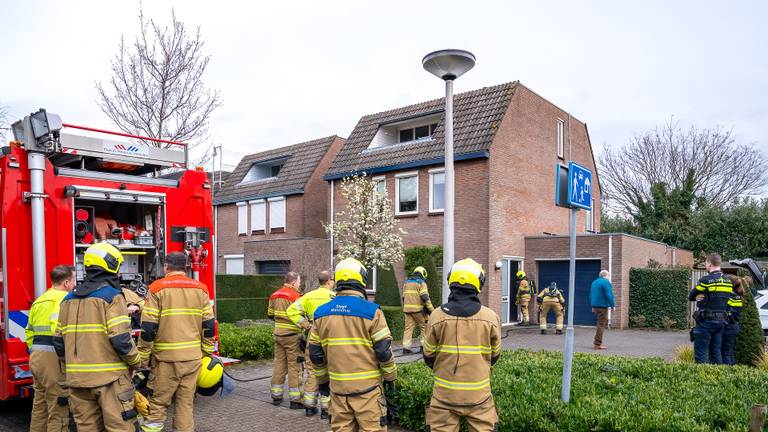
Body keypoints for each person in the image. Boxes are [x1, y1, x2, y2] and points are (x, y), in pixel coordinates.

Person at [53, 242, 142, 431]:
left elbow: (59, 342)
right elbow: (121, 340)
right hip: (110, 380)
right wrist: (136, 362)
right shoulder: (112, 297)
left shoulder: (67, 299)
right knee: (120, 427)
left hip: (77, 380)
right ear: (111, 265)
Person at [309, 258, 397, 432]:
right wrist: (390, 378)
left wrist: (322, 382)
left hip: (338, 391)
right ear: (361, 280)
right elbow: (384, 352)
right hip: (368, 392)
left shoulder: (321, 313)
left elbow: (315, 354)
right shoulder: (372, 312)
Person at [138, 252, 215, 432]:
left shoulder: (156, 288)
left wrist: (142, 356)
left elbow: (149, 328)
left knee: (158, 403)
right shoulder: (201, 289)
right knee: (185, 404)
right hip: (193, 359)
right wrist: (207, 350)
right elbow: (209, 325)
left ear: (166, 267)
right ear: (186, 267)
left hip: (166, 360)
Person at [423, 258, 501, 432]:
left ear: (451, 281)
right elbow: (495, 356)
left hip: (444, 395)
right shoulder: (490, 317)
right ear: (479, 283)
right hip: (479, 396)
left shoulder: (436, 316)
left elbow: (428, 356)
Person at [26, 265, 76, 432]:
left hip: (37, 357)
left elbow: (29, 331)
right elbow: (59, 330)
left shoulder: (39, 300)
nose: (75, 284)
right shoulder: (65, 298)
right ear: (67, 282)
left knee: (40, 405)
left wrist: (33, 351)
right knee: (58, 407)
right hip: (53, 359)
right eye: (74, 280)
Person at [287, 270, 336, 418]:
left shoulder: (308, 296)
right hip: (330, 338)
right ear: (329, 281)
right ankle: (326, 410)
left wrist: (305, 324)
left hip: (312, 336)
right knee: (328, 372)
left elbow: (291, 310)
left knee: (312, 370)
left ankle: (309, 406)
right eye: (332, 280)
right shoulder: (334, 297)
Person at [688, 253, 734, 364]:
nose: (705, 266)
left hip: (706, 322)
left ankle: (701, 380)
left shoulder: (706, 280)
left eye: (706, 264)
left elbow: (691, 296)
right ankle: (717, 378)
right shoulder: (728, 281)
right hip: (720, 322)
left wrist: (699, 297)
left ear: (709, 263)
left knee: (701, 354)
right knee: (716, 352)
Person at [268, 271, 303, 408]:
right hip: (292, 336)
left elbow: (270, 314)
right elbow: (300, 316)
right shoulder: (296, 296)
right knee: (294, 366)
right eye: (299, 282)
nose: (299, 284)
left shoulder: (274, 295)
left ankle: (276, 396)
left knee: (279, 364)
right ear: (294, 282)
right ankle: (295, 400)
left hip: (278, 335)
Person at [401, 266, 434, 354]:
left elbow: (404, 297)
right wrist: (431, 310)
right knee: (424, 327)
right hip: (418, 310)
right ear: (423, 274)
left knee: (408, 328)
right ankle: (423, 347)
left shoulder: (406, 282)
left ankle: (406, 348)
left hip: (407, 310)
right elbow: (425, 297)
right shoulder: (421, 283)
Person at [721, 276, 745, 366]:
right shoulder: (737, 295)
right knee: (729, 352)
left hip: (728, 326)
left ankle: (728, 373)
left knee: (725, 353)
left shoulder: (728, 295)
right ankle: (733, 371)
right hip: (734, 326)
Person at [590, 270, 615, 350]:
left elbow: (591, 295)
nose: (609, 277)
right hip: (602, 306)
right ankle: (597, 344)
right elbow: (609, 294)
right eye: (608, 275)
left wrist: (593, 306)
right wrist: (612, 305)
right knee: (601, 324)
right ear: (605, 276)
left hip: (595, 305)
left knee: (600, 323)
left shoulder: (594, 282)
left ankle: (597, 342)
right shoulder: (605, 282)